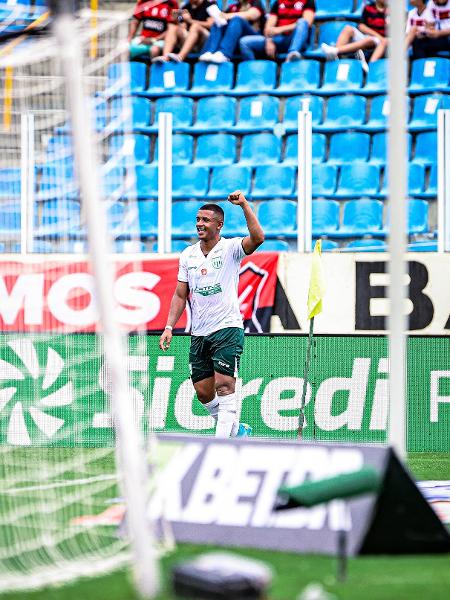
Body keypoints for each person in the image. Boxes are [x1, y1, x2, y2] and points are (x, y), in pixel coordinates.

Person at [159, 193, 265, 438]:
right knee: (204, 392)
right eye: (198, 219)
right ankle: (236, 430)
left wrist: (245, 205)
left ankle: (220, 446)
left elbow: (258, 238)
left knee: (225, 386)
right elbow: (179, 294)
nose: (199, 223)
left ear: (219, 225)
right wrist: (168, 326)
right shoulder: (188, 255)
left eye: (206, 220)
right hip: (199, 332)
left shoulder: (230, 249)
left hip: (227, 327)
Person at [321, 0, 388, 73]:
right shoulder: (368, 8)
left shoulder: (392, 11)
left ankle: (370, 69)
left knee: (374, 40)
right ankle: (336, 58)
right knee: (348, 29)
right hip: (370, 37)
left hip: (384, 42)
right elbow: (361, 26)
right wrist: (377, 36)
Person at [239, 0, 316, 63]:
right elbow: (268, 28)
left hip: (296, 39)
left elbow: (307, 23)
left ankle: (292, 54)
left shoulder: (308, 1)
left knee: (302, 22)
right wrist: (269, 40)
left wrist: (279, 30)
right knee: (244, 42)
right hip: (279, 40)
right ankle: (252, 73)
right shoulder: (278, 2)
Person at [198, 0, 266, 64]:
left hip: (253, 37)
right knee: (218, 22)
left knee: (237, 20)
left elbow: (253, 15)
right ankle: (210, 51)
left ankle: (224, 54)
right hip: (234, 39)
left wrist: (227, 16)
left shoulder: (255, 2)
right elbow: (223, 18)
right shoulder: (233, 7)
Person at [154, 0, 219, 63]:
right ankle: (165, 57)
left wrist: (190, 21)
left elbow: (211, 24)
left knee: (195, 26)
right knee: (172, 27)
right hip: (189, 40)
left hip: (205, 41)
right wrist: (177, 19)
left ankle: (180, 56)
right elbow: (176, 20)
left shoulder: (210, 5)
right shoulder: (186, 8)